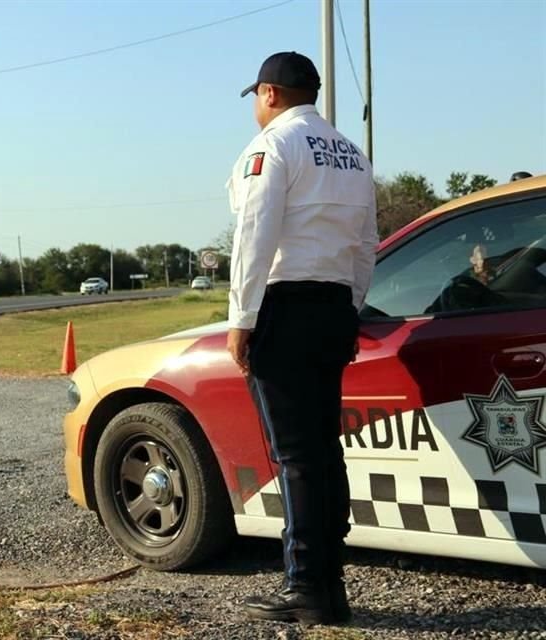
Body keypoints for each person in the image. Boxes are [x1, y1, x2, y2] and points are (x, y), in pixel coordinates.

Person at [225, 51, 378, 625]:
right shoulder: (351, 154)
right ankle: (326, 583)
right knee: (321, 451)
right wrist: (351, 306)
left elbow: (254, 236)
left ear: (268, 94)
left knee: (295, 457)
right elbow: (367, 242)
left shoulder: (271, 147)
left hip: (284, 306)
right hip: (335, 304)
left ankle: (307, 588)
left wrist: (243, 318)